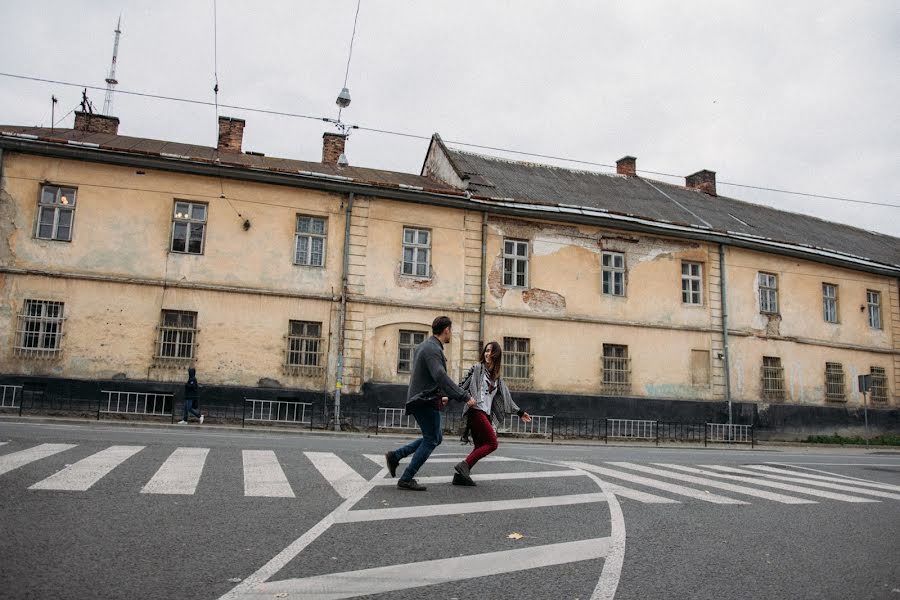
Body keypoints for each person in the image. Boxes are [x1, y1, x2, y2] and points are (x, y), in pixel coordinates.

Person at [384, 316, 476, 491]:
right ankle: (406, 478)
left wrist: (439, 395)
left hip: (424, 398)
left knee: (435, 437)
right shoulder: (432, 349)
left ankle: (395, 456)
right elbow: (440, 376)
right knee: (432, 439)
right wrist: (463, 396)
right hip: (423, 401)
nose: (452, 334)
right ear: (447, 330)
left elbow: (426, 377)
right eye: (451, 330)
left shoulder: (426, 346)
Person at [453, 341, 531, 486]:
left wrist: (520, 412)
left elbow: (507, 398)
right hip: (476, 411)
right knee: (492, 443)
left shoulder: (497, 378)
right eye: (486, 351)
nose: (487, 354)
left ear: (497, 355)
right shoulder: (477, 368)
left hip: (486, 413)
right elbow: (462, 385)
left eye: (491, 351)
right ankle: (464, 465)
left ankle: (460, 476)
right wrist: (448, 396)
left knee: (479, 446)